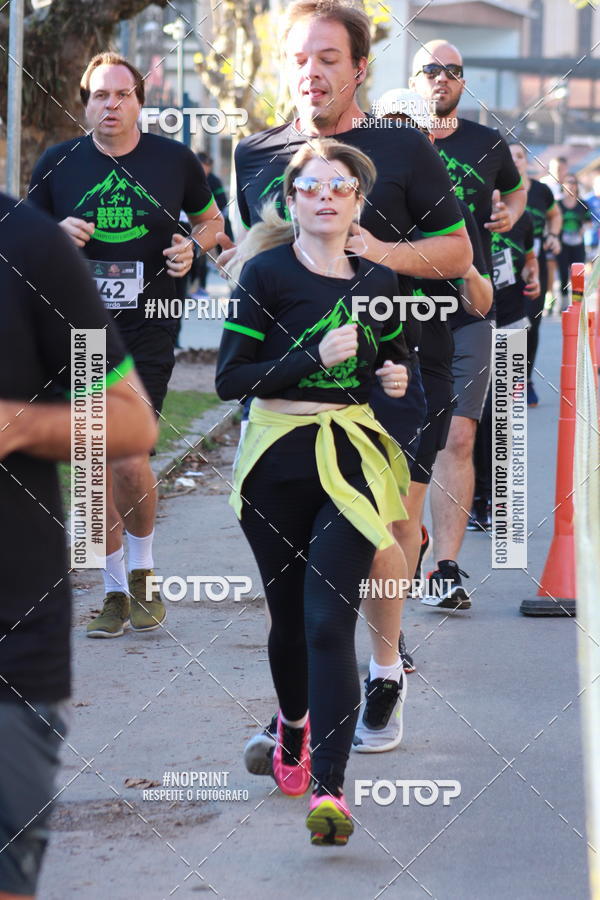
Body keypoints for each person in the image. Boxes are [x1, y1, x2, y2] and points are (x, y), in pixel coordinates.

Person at [218, 0, 471, 758]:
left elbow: (456, 253)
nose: (312, 72)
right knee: (295, 551)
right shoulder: (257, 154)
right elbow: (264, 254)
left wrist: (378, 253)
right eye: (299, 57)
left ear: (360, 67)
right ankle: (301, 704)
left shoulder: (401, 148)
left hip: (396, 368)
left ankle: (384, 672)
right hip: (291, 379)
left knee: (387, 526)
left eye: (329, 58)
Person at [217, 138, 412, 845]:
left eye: (341, 186)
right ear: (292, 200)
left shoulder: (380, 281)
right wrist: (309, 357)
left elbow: (390, 360)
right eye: (313, 186)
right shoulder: (264, 274)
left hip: (352, 456)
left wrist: (390, 377)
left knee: (330, 621)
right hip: (275, 456)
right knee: (289, 621)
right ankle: (292, 728)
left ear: (357, 202)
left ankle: (331, 791)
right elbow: (230, 379)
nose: (327, 195)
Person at [29, 52, 224, 639]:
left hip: (150, 324)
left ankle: (143, 573)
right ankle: (114, 591)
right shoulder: (59, 162)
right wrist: (53, 234)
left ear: (140, 102)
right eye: (98, 95)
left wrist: (194, 246)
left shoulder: (173, 160)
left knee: (129, 456)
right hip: (80, 327)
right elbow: (19, 239)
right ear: (84, 102)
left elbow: (214, 224)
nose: (109, 105)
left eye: (121, 95)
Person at [0, 192, 157, 898]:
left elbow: (131, 422)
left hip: (10, 630)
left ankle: (135, 581)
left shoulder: (29, 247)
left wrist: (20, 425)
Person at [409, 40, 526, 607]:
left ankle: (445, 567)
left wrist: (510, 212)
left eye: (452, 71)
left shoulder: (486, 143)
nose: (441, 79)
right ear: (413, 80)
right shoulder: (391, 142)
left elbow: (517, 187)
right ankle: (408, 537)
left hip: (468, 306)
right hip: (398, 309)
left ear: (462, 82)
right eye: (430, 69)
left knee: (459, 434)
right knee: (401, 436)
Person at [374, 89, 492, 585]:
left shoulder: (443, 201)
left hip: (438, 351)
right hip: (373, 360)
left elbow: (482, 301)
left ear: (428, 137)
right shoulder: (356, 196)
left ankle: (440, 566)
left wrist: (461, 268)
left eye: (411, 128)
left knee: (419, 486)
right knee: (380, 502)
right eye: (390, 127)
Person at [471, 211, 539, 526]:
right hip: (473, 325)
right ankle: (478, 499)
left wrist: (532, 274)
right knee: (477, 418)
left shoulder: (522, 219)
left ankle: (500, 500)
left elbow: (529, 258)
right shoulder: (467, 215)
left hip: (510, 323)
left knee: (503, 417)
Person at [509, 143, 562, 408]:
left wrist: (552, 235)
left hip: (535, 268)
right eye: (509, 157)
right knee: (505, 327)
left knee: (531, 325)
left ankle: (524, 380)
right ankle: (502, 382)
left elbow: (555, 216)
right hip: (504, 269)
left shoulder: (541, 192)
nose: (515, 161)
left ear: (526, 161)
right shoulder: (497, 190)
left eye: (519, 156)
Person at [194, 151, 233, 295]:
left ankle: (234, 284)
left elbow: (222, 201)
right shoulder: (192, 179)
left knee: (228, 251)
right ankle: (200, 288)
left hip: (219, 221)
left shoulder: (213, 180)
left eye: (206, 167)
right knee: (200, 257)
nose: (205, 170)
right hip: (199, 225)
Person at [556, 174, 591, 311]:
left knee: (577, 274)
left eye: (573, 182)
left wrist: (584, 229)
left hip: (578, 243)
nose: (570, 185)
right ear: (563, 186)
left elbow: (589, 222)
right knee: (563, 274)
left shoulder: (583, 204)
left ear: (577, 186)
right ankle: (563, 304)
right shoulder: (557, 205)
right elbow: (551, 221)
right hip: (562, 244)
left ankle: (577, 304)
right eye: (567, 182)